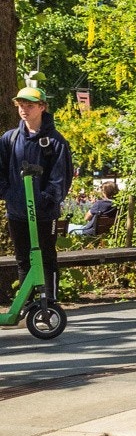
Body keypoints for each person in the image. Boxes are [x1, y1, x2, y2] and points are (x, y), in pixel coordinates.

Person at [1, 86, 72, 301]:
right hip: (18, 212)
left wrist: (45, 199)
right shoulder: (9, 139)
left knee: (47, 259)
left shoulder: (56, 141)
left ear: (42, 107)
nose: (24, 109)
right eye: (21, 105)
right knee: (23, 261)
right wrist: (10, 194)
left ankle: (49, 305)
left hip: (44, 214)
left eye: (30, 105)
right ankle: (27, 306)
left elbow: (61, 178)